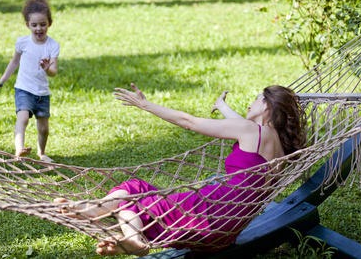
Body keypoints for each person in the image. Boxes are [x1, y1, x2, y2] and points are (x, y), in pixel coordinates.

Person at [55, 83, 306, 256]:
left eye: (256, 98)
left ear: (267, 106)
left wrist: (145, 105)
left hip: (206, 213)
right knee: (138, 195)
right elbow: (240, 123)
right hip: (225, 233)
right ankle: (93, 213)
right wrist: (221, 105)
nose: (251, 103)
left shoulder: (251, 131)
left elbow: (189, 122)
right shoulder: (281, 153)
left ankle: (120, 231)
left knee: (132, 190)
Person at [0, 0, 60, 163]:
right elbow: (14, 62)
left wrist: (47, 68)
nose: (39, 28)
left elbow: (53, 72)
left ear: (50, 23)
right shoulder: (23, 42)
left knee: (43, 128)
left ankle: (42, 153)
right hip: (24, 89)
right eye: (34, 25)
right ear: (28, 25)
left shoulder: (53, 45)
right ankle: (19, 148)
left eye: (43, 24)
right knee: (23, 118)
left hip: (42, 93)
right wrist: (1, 81)